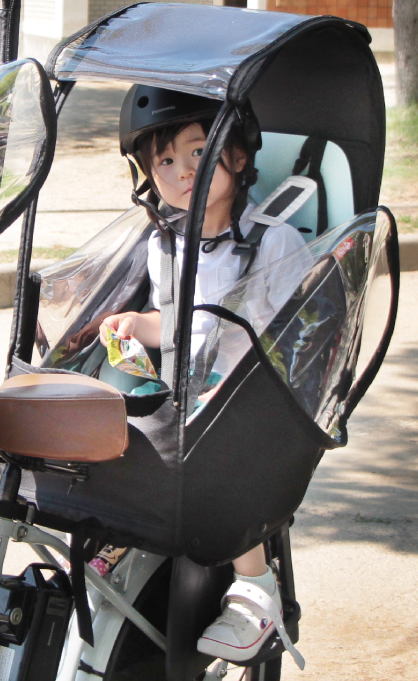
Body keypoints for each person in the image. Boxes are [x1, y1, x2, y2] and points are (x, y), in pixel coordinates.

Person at [97, 85, 307, 663]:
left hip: (251, 402)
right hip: (183, 395)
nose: (184, 171)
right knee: (108, 421)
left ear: (236, 156)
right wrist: (135, 325)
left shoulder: (275, 241)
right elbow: (177, 323)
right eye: (164, 161)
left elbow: (300, 336)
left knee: (218, 446)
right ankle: (117, 543)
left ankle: (256, 591)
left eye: (199, 151)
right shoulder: (166, 244)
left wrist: (237, 384)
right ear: (148, 177)